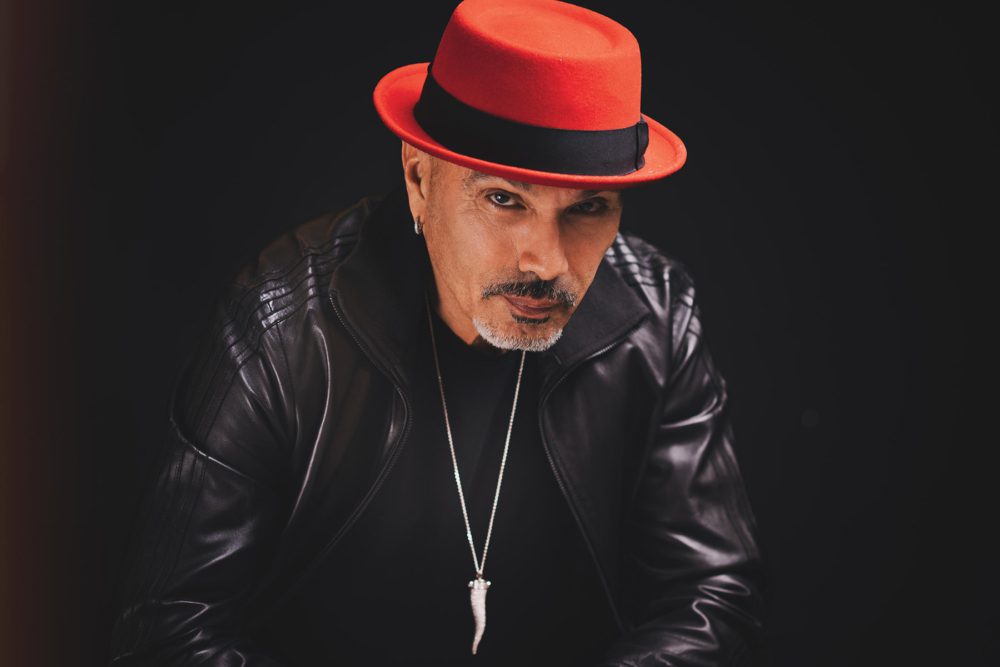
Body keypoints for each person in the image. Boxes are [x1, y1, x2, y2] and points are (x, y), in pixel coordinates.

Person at [107, 1, 765, 665]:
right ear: (420, 179)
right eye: (504, 199)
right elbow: (167, 633)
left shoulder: (657, 319)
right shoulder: (283, 329)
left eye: (588, 208)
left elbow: (715, 601)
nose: (546, 262)